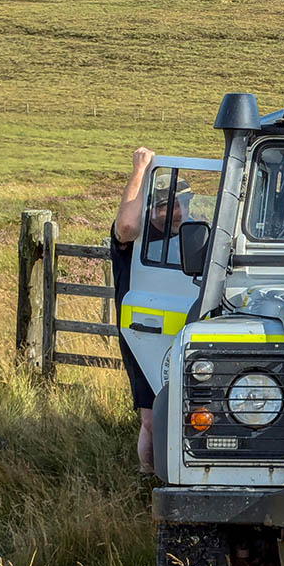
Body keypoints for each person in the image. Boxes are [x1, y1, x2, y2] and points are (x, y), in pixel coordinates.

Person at [111, 146, 159, 474]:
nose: (178, 212)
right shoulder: (134, 238)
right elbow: (126, 226)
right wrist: (140, 170)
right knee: (152, 417)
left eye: (181, 204)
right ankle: (147, 478)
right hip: (142, 332)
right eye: (167, 205)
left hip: (182, 329)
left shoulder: (188, 234)